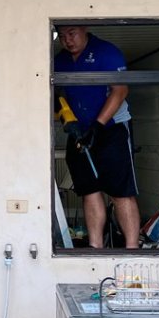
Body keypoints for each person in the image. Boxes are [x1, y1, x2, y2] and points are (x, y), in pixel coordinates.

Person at [54, 25, 140, 249]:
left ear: (84, 29)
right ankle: (95, 247)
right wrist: (66, 119)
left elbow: (120, 90)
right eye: (62, 36)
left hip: (112, 128)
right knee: (89, 189)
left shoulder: (106, 51)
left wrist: (98, 125)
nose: (67, 40)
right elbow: (57, 95)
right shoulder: (60, 60)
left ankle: (132, 249)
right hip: (79, 132)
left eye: (72, 34)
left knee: (121, 191)